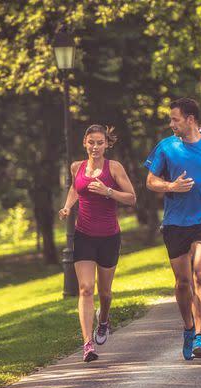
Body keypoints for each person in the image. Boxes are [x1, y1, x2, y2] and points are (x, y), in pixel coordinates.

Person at [145, 98, 201, 360]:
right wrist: (170, 187)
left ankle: (200, 335)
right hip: (175, 223)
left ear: (190, 119)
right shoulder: (166, 147)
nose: (171, 124)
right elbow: (150, 180)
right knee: (183, 283)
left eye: (175, 119)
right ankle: (187, 327)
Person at [58, 125, 137, 362]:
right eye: (91, 142)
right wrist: (67, 206)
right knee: (85, 289)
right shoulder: (76, 167)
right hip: (83, 235)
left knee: (105, 292)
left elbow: (132, 198)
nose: (95, 147)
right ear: (84, 142)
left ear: (106, 144)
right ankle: (87, 344)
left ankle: (103, 320)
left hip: (109, 237)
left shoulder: (114, 168)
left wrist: (108, 191)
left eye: (100, 142)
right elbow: (75, 188)